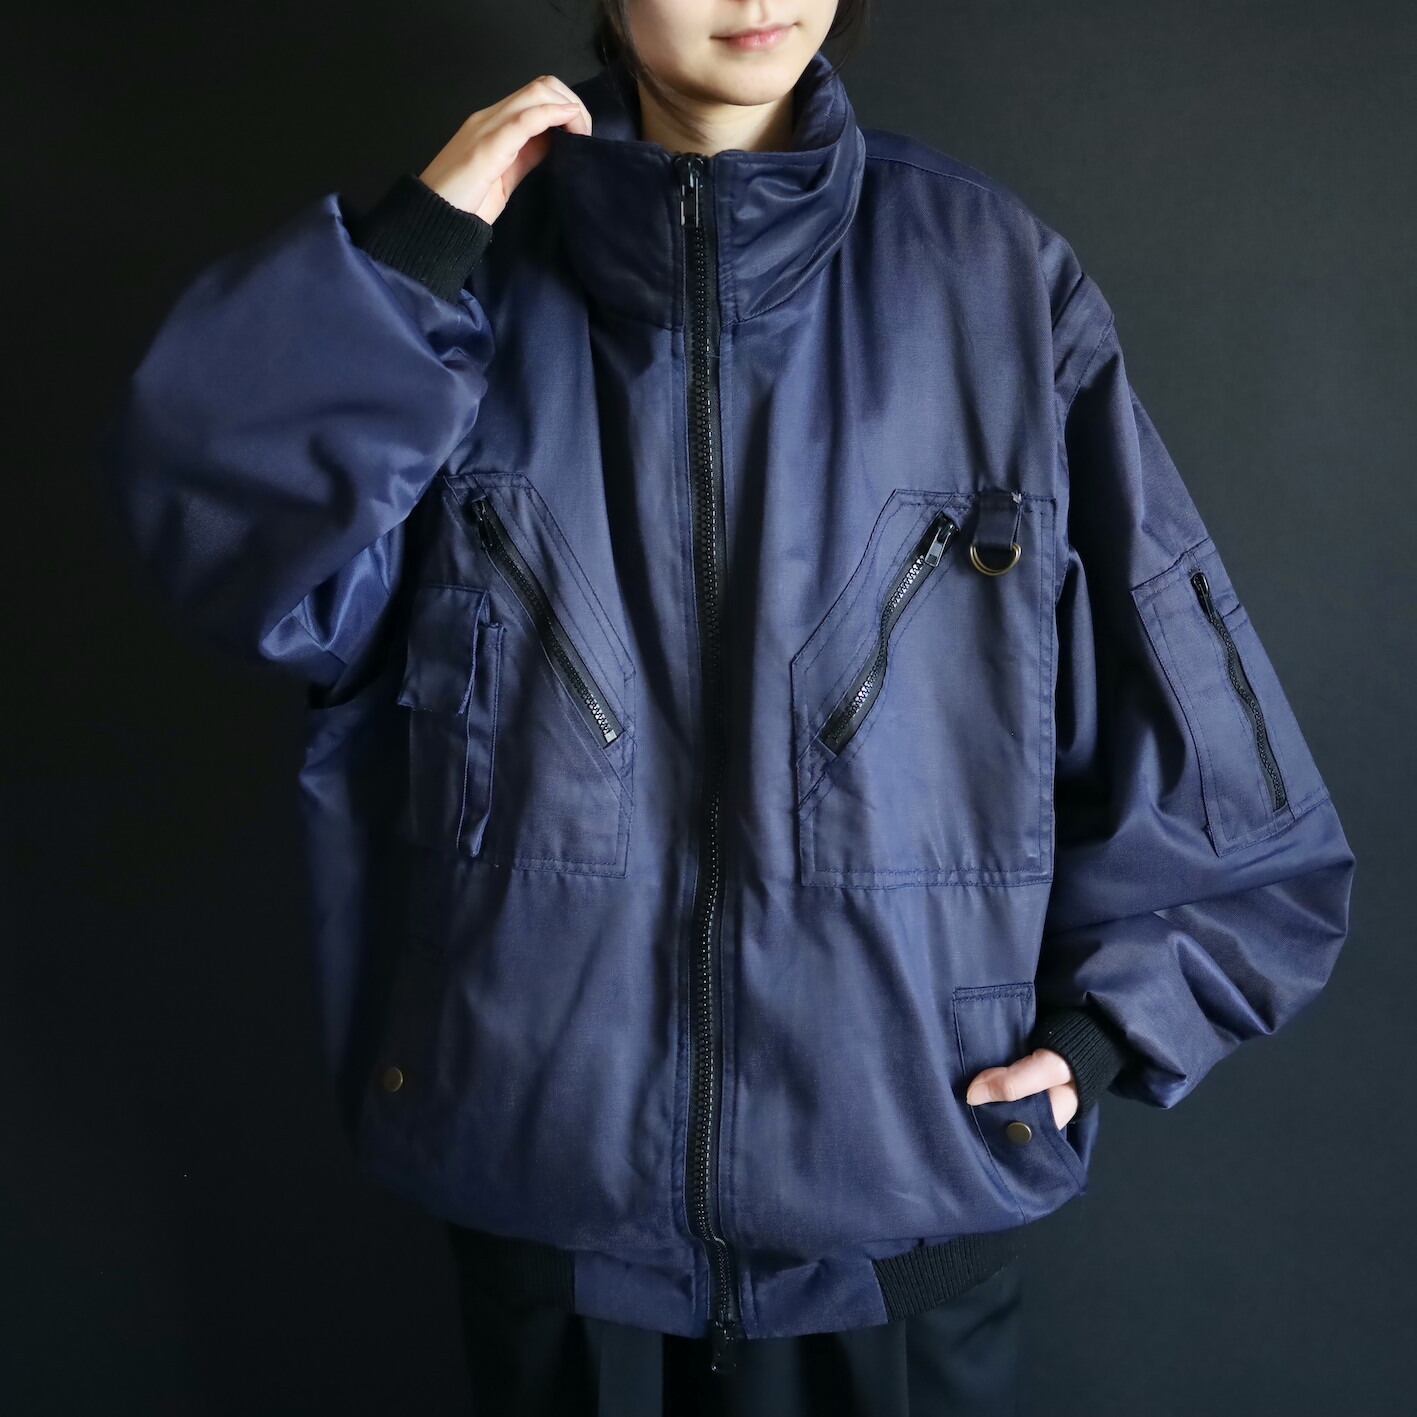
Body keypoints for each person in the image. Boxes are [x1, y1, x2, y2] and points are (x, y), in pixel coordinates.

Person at [97, 1, 1357, 1413]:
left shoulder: (995, 280)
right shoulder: (461, 276)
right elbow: (221, 549)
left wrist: (1105, 1030)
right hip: (549, 1225)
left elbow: (1222, 776)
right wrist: (399, 268)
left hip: (906, 1219)